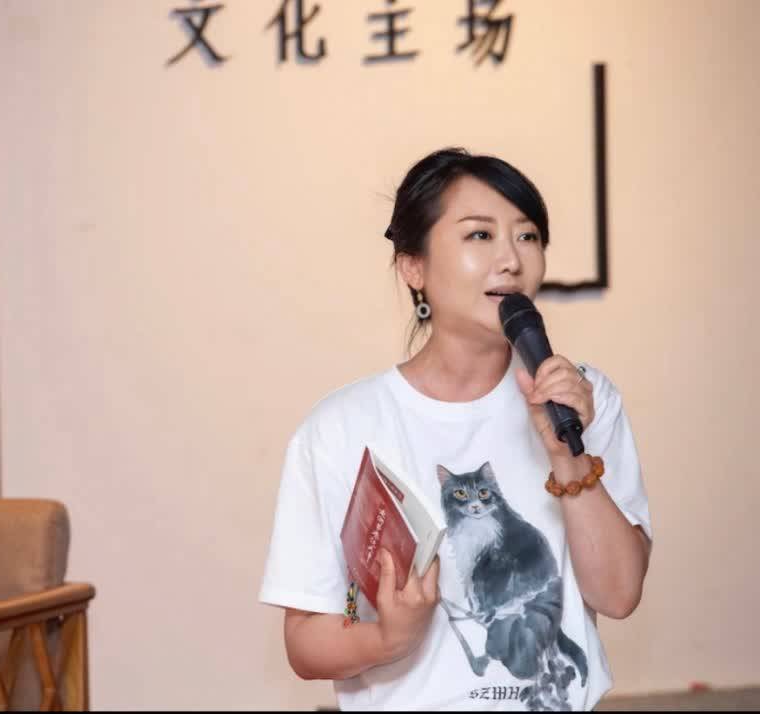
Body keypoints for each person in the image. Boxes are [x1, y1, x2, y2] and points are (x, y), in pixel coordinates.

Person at [258, 148, 652, 711]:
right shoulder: (339, 429)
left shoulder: (582, 399)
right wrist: (388, 637)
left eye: (528, 236)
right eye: (479, 235)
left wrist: (568, 456)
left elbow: (618, 595)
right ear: (413, 267)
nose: (511, 260)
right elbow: (305, 644)